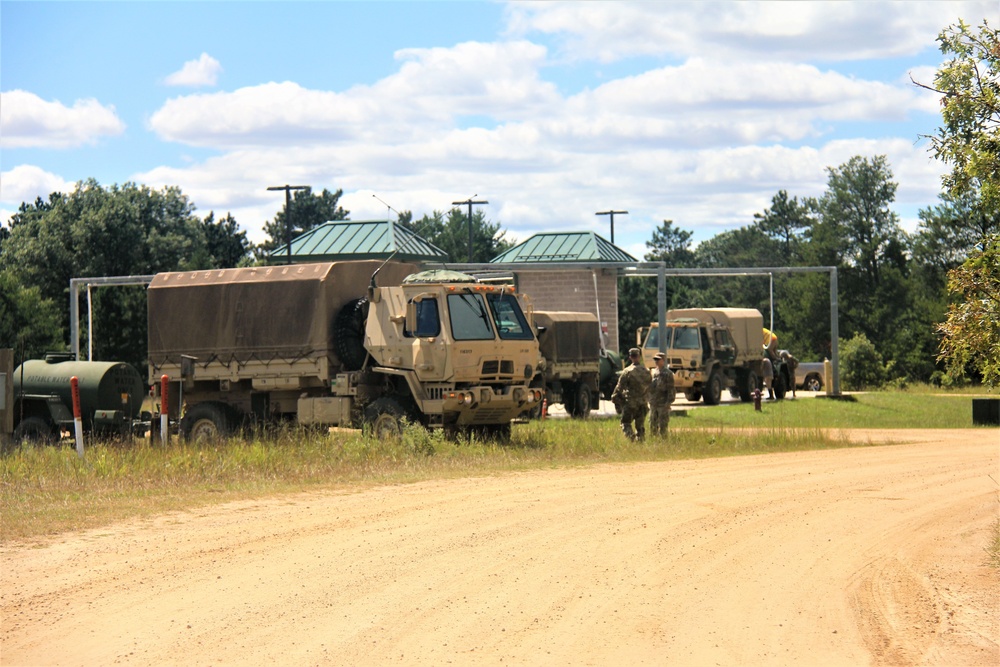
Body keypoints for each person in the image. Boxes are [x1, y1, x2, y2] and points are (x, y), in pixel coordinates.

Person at [612, 348, 651, 441]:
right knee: (640, 426)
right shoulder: (646, 371)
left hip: (631, 404)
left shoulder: (627, 371)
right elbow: (650, 386)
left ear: (630, 357)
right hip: (643, 403)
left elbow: (619, 387)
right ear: (639, 357)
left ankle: (631, 438)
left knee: (625, 423)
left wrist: (614, 398)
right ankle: (640, 443)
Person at [648, 352, 676, 437]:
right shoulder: (653, 372)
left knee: (663, 425)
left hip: (663, 404)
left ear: (663, 360)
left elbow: (671, 389)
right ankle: (654, 441)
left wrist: (668, 403)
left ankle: (664, 442)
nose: (656, 361)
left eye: (658, 359)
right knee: (652, 424)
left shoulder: (668, 373)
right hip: (653, 403)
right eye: (655, 359)